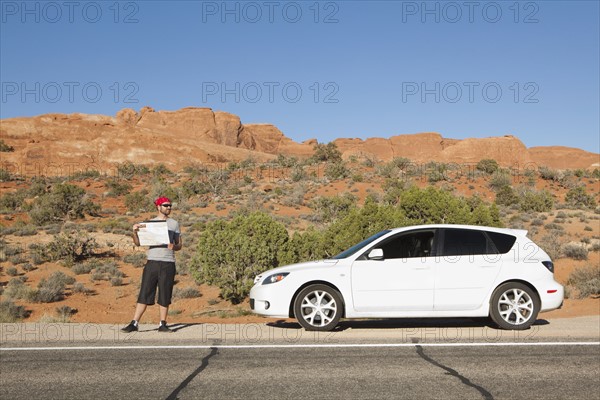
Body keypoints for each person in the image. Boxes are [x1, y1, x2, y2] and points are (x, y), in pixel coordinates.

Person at [121, 196, 182, 333]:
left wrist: (174, 246)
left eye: (170, 205)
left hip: (168, 262)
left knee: (165, 294)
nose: (169, 208)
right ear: (158, 207)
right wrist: (135, 232)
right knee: (145, 292)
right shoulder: (149, 224)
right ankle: (134, 323)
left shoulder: (174, 224)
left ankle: (163, 324)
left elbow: (179, 244)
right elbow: (138, 243)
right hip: (152, 262)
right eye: (166, 205)